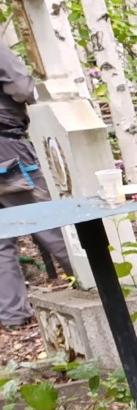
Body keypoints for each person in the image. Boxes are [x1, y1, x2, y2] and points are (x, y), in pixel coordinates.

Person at [0, 42, 74, 329]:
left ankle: (13, 316)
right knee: (51, 223)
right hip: (7, 151)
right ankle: (98, 286)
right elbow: (22, 89)